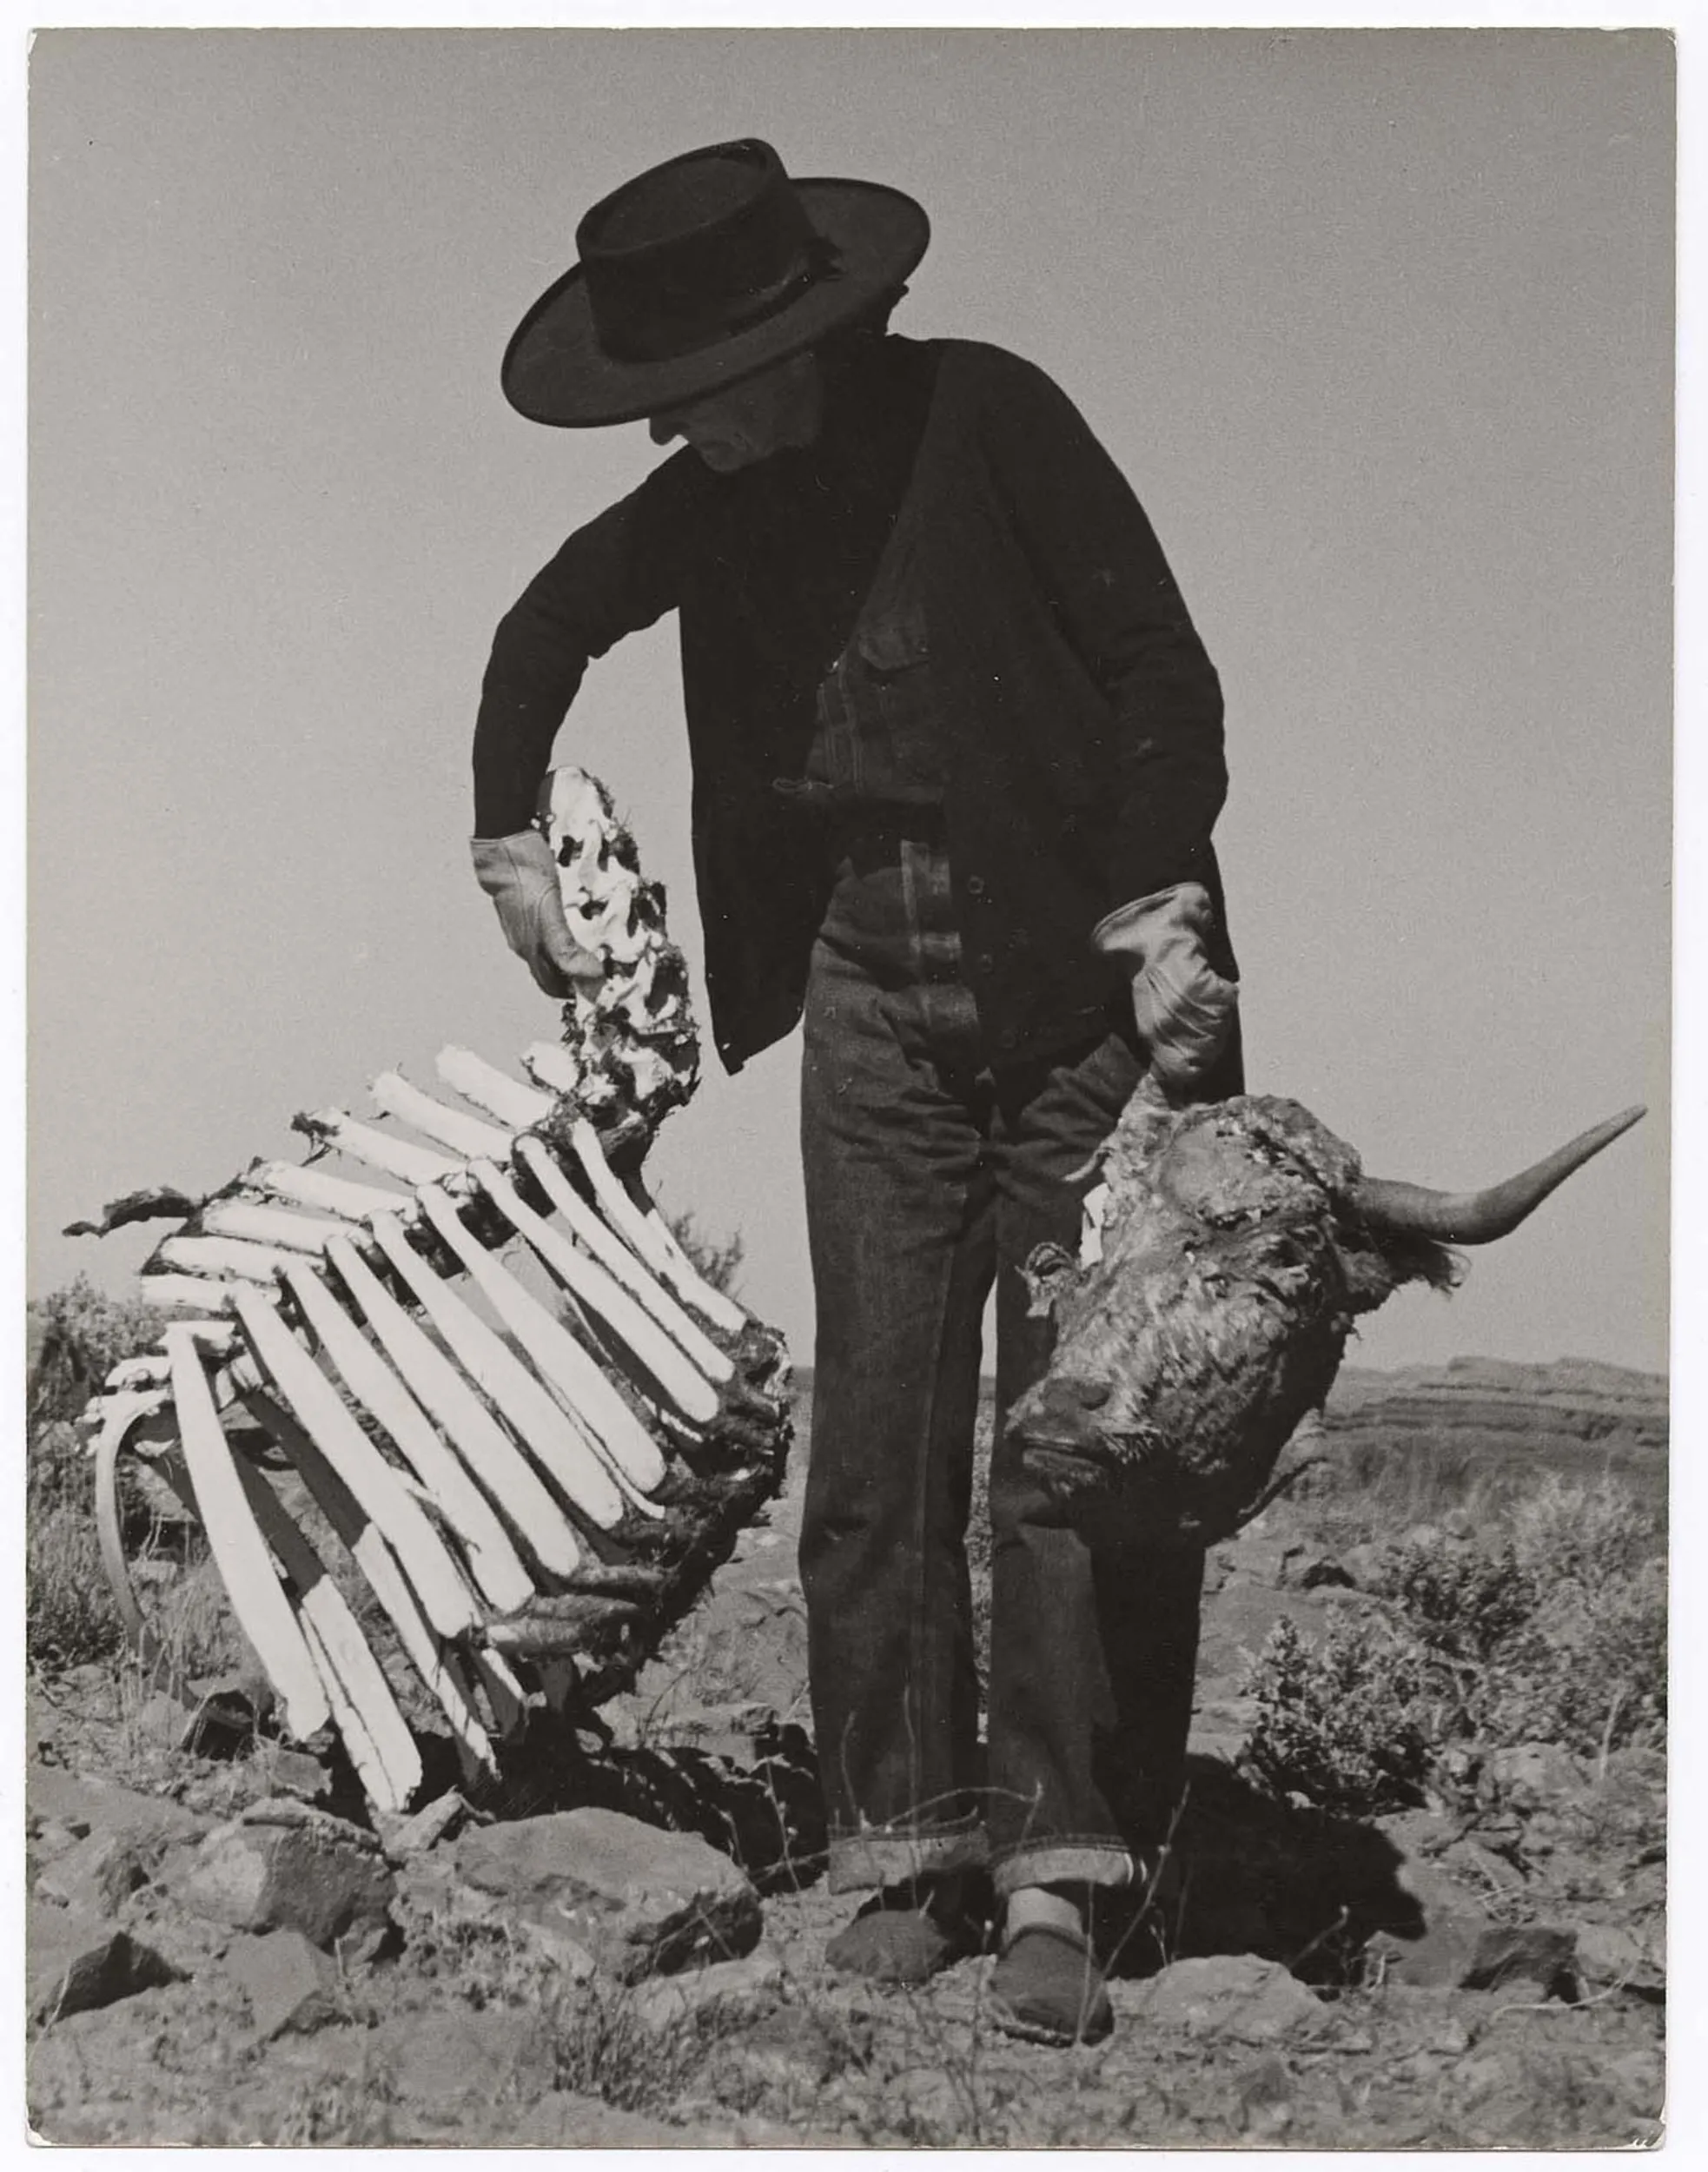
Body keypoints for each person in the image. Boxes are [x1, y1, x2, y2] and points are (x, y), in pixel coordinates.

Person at [471, 138, 1241, 2047]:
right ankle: (898, 1845)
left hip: (1077, 990)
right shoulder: (710, 499)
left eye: (688, 403)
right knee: (875, 1434)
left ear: (795, 346)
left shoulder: (989, 418)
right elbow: (538, 629)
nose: (673, 440)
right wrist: (506, 837)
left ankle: (1062, 1871)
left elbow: (1161, 663)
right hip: (865, 1004)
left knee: (1074, 1446)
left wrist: (1156, 896)